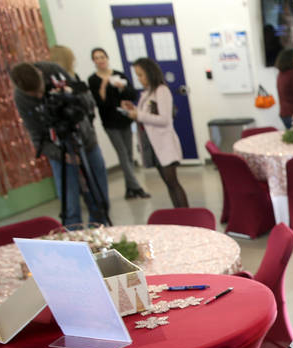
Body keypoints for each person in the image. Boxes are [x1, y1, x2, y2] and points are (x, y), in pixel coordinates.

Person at [10, 61, 111, 226]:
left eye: (40, 91)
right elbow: (37, 136)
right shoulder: (21, 98)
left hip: (86, 142)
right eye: (33, 94)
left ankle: (100, 233)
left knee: (100, 199)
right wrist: (62, 156)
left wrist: (73, 95)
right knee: (70, 206)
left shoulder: (56, 72)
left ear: (41, 76)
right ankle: (74, 242)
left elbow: (88, 104)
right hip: (59, 151)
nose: (38, 96)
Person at [121, 57, 189, 208]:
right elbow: (146, 114)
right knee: (169, 184)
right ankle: (180, 215)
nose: (139, 79)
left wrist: (138, 115)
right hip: (154, 145)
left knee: (173, 183)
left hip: (164, 144)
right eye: (137, 75)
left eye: (141, 75)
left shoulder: (162, 91)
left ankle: (186, 216)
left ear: (150, 73)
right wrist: (132, 109)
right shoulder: (147, 93)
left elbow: (164, 119)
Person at [87, 47, 150, 200]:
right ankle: (136, 186)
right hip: (110, 122)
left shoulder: (118, 75)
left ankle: (130, 189)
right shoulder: (93, 80)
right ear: (94, 61)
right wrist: (103, 87)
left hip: (124, 119)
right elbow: (99, 103)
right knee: (122, 154)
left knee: (128, 154)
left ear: (107, 58)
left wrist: (122, 88)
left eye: (102, 56)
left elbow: (131, 94)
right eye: (97, 58)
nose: (100, 60)